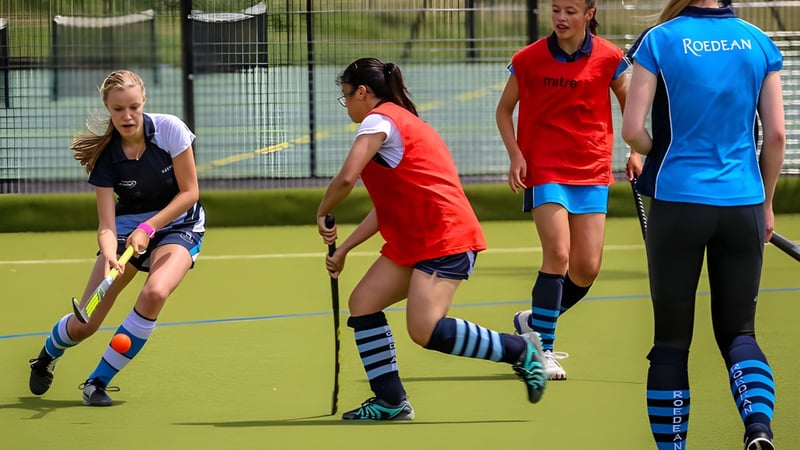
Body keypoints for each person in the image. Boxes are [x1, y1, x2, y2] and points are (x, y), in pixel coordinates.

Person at [317, 57, 548, 420]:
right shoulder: (399, 122)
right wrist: (346, 248)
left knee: (424, 329)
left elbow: (346, 179)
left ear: (363, 92)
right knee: (363, 301)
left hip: (445, 237)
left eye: (346, 96)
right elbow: (386, 207)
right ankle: (391, 401)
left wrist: (321, 210)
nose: (346, 104)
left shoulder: (379, 121)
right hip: (417, 240)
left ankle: (520, 350)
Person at [621, 0, 784, 448]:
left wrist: (655, 152)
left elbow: (632, 129)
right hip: (744, 203)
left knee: (671, 342)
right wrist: (766, 205)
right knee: (740, 333)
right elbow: (776, 137)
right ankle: (759, 429)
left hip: (678, 203)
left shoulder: (660, 39)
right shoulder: (759, 42)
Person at [28, 70, 206, 406]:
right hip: (125, 232)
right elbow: (107, 225)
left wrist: (149, 228)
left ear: (144, 103)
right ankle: (46, 356)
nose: (127, 116)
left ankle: (97, 382)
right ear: (108, 109)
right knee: (85, 325)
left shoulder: (170, 130)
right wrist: (111, 254)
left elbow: (189, 192)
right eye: (118, 109)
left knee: (155, 292)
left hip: (179, 225)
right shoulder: (107, 156)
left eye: (134, 107)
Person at [495, 0, 641, 381]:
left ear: (589, 13)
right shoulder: (527, 59)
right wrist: (515, 156)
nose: (561, 18)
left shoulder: (610, 57)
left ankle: (531, 320)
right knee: (558, 254)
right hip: (545, 170)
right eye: (556, 9)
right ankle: (541, 350)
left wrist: (635, 151)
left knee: (586, 268)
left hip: (592, 170)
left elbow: (631, 108)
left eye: (571, 11)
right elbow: (504, 110)